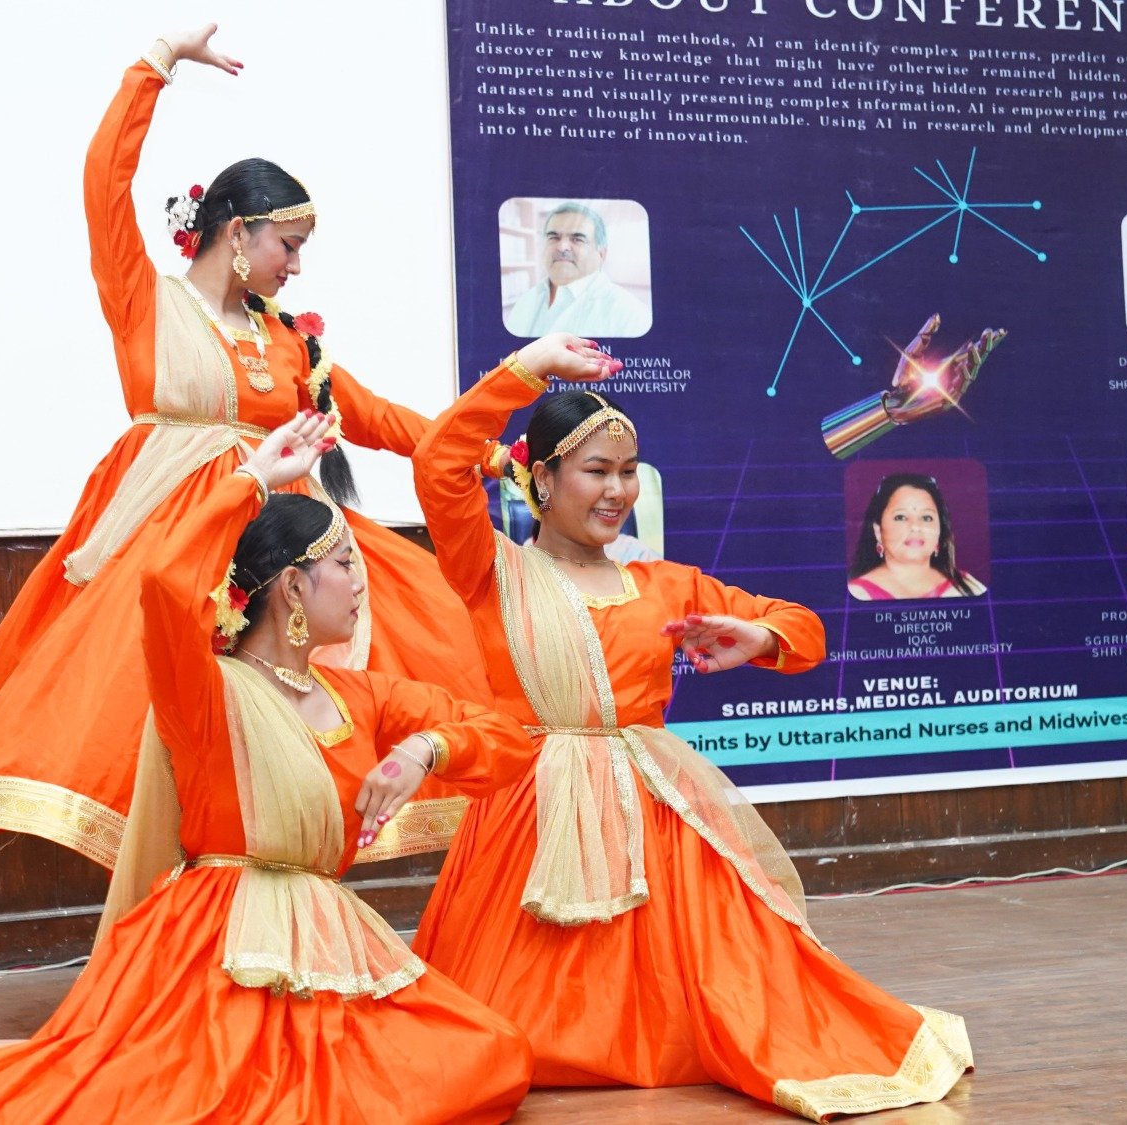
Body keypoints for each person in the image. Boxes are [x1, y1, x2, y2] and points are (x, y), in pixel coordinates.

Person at [0, 415, 533, 1123]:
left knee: (489, 1054)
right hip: (216, 943)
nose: (361, 581)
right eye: (346, 563)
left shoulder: (363, 695)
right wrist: (251, 478)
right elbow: (164, 579)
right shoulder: (203, 690)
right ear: (293, 586)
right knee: (223, 1095)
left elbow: (504, 737)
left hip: (328, 935)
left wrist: (422, 750)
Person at [0, 26, 487, 868]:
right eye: (287, 246)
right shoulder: (148, 304)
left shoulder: (289, 339)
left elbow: (374, 417)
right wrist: (156, 64)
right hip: (176, 538)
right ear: (236, 232)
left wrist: (486, 450)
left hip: (277, 543)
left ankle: (271, 867)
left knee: (424, 619)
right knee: (161, 711)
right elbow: (103, 186)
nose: (295, 266)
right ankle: (179, 892)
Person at [409, 335, 973, 1120]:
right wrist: (527, 369)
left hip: (654, 817)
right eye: (597, 471)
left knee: (726, 997)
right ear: (542, 478)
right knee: (494, 1028)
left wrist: (758, 636)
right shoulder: (490, 569)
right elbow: (438, 460)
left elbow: (803, 627)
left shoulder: (664, 582)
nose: (618, 490)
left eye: (629, 471)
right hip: (529, 815)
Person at [503, 203, 652, 337]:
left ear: (601, 254)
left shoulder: (632, 315)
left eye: (578, 239)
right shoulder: (527, 300)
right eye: (553, 237)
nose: (562, 247)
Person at [848, 474, 986, 600]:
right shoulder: (857, 594)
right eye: (901, 517)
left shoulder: (969, 587)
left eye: (926, 518)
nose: (915, 526)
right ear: (878, 531)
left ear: (940, 530)